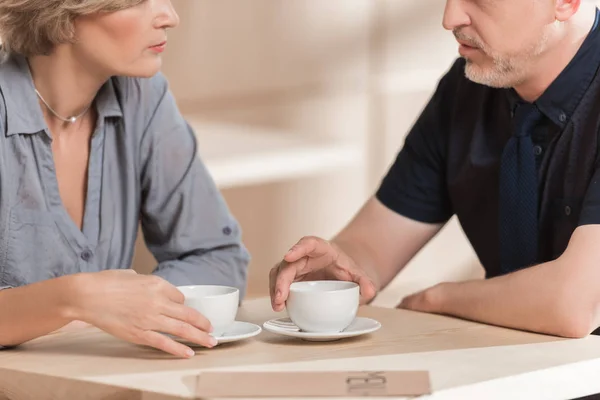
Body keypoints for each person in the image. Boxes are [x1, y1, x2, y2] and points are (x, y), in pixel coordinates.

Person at [270, 0, 600, 338]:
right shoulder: (467, 89)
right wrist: (330, 273)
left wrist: (436, 299)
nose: (450, 18)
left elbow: (573, 305)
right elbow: (372, 247)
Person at [0, 0, 250, 358]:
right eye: (139, 1)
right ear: (63, 13)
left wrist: (127, 307)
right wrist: (78, 300)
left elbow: (218, 257)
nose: (170, 17)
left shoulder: (142, 96)